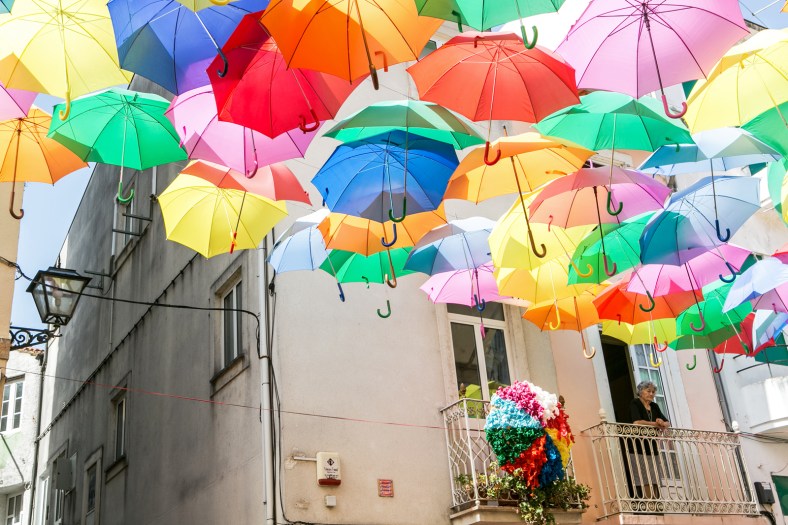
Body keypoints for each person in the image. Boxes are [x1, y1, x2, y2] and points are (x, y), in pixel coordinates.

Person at [628, 380, 670, 501]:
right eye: (648, 391)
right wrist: (656, 424)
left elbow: (667, 422)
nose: (651, 394)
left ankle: (656, 503)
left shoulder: (654, 406)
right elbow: (637, 422)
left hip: (652, 447)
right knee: (643, 477)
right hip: (638, 447)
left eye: (653, 391)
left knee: (654, 476)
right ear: (641, 392)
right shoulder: (635, 403)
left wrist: (662, 423)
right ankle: (649, 503)